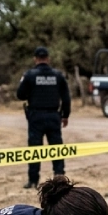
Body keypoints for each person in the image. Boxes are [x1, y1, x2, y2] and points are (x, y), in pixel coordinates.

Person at [16, 47, 71, 189]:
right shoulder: (58, 76)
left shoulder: (29, 75)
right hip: (54, 116)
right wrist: (65, 115)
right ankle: (60, 178)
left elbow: (20, 95)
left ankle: (33, 180)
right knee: (56, 147)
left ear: (35, 59)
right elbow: (66, 98)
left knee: (34, 149)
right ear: (48, 58)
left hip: (36, 116)